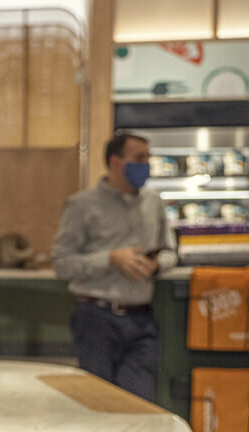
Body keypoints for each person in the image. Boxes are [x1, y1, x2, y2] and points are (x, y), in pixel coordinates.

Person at [51, 131, 177, 401]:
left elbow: (170, 252)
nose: (146, 164)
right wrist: (110, 259)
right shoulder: (82, 205)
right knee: (98, 404)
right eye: (139, 158)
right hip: (96, 319)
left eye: (148, 158)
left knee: (139, 404)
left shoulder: (153, 202)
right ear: (116, 162)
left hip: (142, 320)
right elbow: (61, 263)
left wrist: (156, 265)